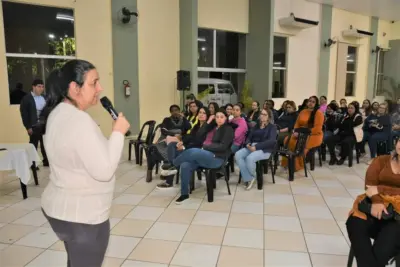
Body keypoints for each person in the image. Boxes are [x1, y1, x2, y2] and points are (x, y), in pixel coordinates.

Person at [40, 60, 130, 267]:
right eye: (94, 83)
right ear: (74, 87)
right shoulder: (79, 121)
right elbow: (105, 170)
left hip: (62, 208)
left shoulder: (58, 113)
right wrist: (118, 132)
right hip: (83, 216)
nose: (100, 88)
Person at [346, 139, 400, 267]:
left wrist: (380, 189)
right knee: (355, 221)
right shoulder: (381, 161)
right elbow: (369, 185)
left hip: (396, 218)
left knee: (391, 235)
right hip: (372, 209)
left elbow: (375, 188)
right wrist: (377, 202)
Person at [166, 110, 234, 204]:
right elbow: (199, 134)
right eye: (217, 117)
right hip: (204, 155)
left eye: (221, 117)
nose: (219, 119)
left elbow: (223, 146)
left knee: (192, 151)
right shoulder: (212, 128)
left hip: (217, 158)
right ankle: (184, 194)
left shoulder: (228, 129)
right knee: (185, 165)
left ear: (226, 118)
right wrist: (209, 121)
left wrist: (206, 147)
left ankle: (173, 165)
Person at [157, 107, 213, 189]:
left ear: (207, 116)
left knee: (175, 153)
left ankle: (170, 175)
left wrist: (184, 147)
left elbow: (198, 141)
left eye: (204, 113)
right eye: (200, 112)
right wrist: (182, 142)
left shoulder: (208, 127)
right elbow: (189, 136)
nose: (201, 114)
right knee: (172, 145)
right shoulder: (197, 126)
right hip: (190, 148)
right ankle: (172, 167)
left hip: (198, 151)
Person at [235, 109, 277, 190]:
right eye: (261, 114)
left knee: (249, 158)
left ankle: (253, 175)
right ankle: (249, 178)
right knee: (238, 155)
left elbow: (271, 141)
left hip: (264, 149)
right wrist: (248, 143)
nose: (262, 116)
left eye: (265, 114)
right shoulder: (256, 125)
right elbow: (249, 137)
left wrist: (256, 147)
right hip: (252, 146)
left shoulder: (272, 127)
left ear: (269, 117)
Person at [282, 96, 324, 172]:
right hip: (301, 132)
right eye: (309, 101)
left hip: (314, 135)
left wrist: (302, 133)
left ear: (316, 104)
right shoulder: (303, 111)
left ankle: (297, 165)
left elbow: (317, 129)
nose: (310, 103)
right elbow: (297, 124)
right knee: (287, 139)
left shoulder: (319, 113)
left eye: (313, 102)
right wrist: (295, 131)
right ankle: (288, 162)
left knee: (299, 143)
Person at [20, 79, 49, 167]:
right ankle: (32, 164)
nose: (41, 89)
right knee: (33, 145)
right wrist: (28, 127)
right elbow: (24, 114)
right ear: (33, 87)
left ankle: (46, 161)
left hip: (44, 125)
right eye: (39, 86)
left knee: (45, 144)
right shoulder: (26, 98)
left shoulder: (44, 97)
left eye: (42, 87)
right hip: (33, 126)